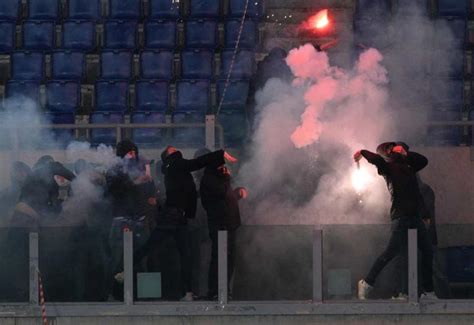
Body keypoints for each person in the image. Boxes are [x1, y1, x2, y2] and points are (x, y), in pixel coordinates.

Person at [154, 145, 238, 301]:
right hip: (193, 223)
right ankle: (206, 291)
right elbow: (214, 194)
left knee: (196, 258)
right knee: (199, 259)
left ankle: (199, 291)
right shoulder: (188, 171)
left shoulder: (187, 172)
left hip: (190, 222)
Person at [354, 142, 436, 300]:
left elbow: (423, 160)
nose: (400, 148)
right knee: (390, 252)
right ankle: (367, 282)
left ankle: (429, 291)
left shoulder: (410, 167)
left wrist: (406, 154)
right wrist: (362, 151)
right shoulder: (388, 167)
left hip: (414, 216)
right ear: (389, 152)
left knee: (427, 251)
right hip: (401, 216)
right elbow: (377, 159)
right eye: (395, 147)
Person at [200, 163, 247, 299]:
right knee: (220, 259)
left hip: (230, 225)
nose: (226, 170)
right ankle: (216, 291)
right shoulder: (210, 183)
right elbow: (221, 196)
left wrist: (238, 192)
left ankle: (224, 290)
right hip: (220, 226)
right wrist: (226, 178)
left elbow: (228, 196)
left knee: (229, 260)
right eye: (222, 168)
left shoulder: (222, 183)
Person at [0, 161, 31, 225]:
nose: (22, 174)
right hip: (13, 230)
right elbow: (7, 217)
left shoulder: (35, 193)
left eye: (24, 171)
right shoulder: (5, 194)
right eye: (19, 171)